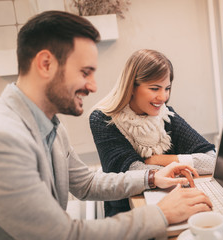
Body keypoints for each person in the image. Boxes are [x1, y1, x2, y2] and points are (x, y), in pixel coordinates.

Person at [0, 11, 212, 240]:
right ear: (46, 64)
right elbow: (63, 236)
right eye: (85, 72)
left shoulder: (50, 124)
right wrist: (161, 213)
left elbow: (86, 184)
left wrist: (152, 178)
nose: (93, 86)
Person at [90, 49, 216, 217]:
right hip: (127, 213)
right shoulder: (103, 120)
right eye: (155, 88)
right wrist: (179, 168)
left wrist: (161, 160)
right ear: (131, 87)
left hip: (169, 200)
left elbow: (213, 160)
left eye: (167, 88)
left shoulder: (166, 115)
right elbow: (134, 172)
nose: (163, 97)